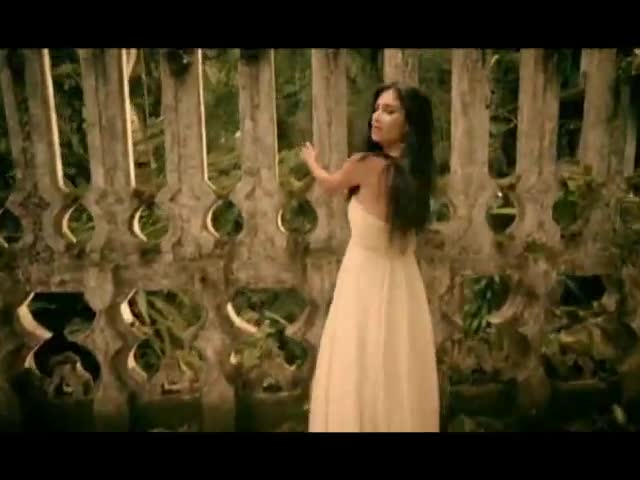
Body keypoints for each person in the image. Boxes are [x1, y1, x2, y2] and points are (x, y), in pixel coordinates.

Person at [300, 82, 440, 432]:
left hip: (363, 281)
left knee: (359, 365)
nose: (376, 117)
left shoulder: (366, 165)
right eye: (377, 108)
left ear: (408, 124)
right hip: (404, 284)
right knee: (398, 370)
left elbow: (330, 184)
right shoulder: (418, 173)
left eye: (389, 111)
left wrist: (312, 163)